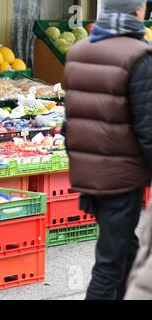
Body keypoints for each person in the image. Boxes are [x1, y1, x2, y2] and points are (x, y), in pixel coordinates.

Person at [64, 0, 152, 300]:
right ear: (137, 11)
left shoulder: (79, 51)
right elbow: (148, 128)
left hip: (88, 173)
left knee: (127, 252)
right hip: (122, 175)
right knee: (110, 264)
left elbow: (70, 121)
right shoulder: (139, 56)